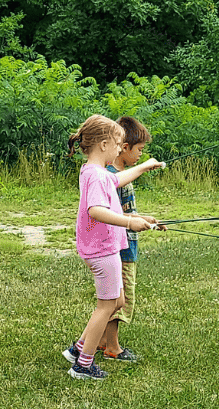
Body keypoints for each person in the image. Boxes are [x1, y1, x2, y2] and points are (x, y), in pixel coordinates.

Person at [63, 115, 161, 380]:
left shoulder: (98, 173)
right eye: (118, 144)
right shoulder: (95, 175)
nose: (120, 149)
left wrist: (145, 168)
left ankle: (78, 350)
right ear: (104, 144)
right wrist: (129, 222)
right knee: (105, 306)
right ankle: (82, 364)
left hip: (104, 247)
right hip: (102, 249)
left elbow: (118, 181)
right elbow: (95, 210)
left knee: (117, 300)